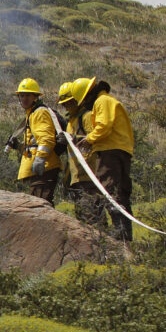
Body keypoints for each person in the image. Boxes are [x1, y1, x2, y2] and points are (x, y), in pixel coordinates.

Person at [74, 76, 135, 241]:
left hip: (109, 151)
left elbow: (104, 126)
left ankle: (119, 238)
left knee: (110, 193)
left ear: (88, 95)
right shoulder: (108, 100)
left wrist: (89, 139)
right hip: (119, 150)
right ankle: (125, 238)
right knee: (121, 195)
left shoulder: (101, 101)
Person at [58, 79, 104, 226]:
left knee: (93, 216)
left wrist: (74, 138)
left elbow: (95, 139)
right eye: (64, 104)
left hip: (89, 175)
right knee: (83, 219)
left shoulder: (87, 116)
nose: (67, 106)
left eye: (70, 102)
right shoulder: (70, 122)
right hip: (77, 178)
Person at [9, 77, 61, 205]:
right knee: (38, 204)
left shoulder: (39, 112)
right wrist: (19, 147)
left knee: (42, 205)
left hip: (44, 167)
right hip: (39, 169)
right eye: (21, 96)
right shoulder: (31, 114)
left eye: (27, 95)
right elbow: (33, 146)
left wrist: (41, 159)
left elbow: (46, 139)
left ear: (35, 97)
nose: (24, 99)